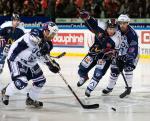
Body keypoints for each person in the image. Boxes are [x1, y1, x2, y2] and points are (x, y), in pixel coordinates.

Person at [1, 22, 60, 108]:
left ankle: (31, 99)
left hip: (30, 62)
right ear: (46, 31)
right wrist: (41, 46)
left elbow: (43, 57)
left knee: (40, 80)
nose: (53, 36)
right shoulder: (36, 32)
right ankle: (6, 91)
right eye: (52, 33)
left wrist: (51, 65)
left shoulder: (49, 45)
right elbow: (33, 38)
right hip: (16, 58)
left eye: (54, 34)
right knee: (22, 82)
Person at [77, 10, 122, 97]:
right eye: (109, 28)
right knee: (82, 68)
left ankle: (89, 89)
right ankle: (84, 77)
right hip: (94, 51)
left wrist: (111, 53)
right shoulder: (101, 26)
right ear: (106, 27)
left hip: (104, 57)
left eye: (113, 29)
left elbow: (116, 52)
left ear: (116, 28)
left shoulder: (117, 38)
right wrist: (86, 17)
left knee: (98, 73)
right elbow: (91, 20)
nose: (111, 31)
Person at [102, 14, 139, 98]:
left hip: (131, 54)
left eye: (124, 23)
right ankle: (110, 88)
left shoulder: (132, 34)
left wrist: (127, 57)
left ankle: (128, 87)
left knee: (128, 68)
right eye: (120, 23)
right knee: (114, 70)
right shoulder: (115, 29)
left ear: (127, 23)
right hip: (119, 53)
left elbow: (133, 48)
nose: (122, 25)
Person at [0, 12, 25, 90]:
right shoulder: (5, 25)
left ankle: (17, 79)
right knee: (0, 65)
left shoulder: (21, 30)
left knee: (17, 66)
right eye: (14, 20)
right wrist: (1, 39)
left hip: (13, 50)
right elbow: (0, 35)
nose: (16, 22)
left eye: (18, 20)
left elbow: (23, 41)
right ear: (12, 20)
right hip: (3, 48)